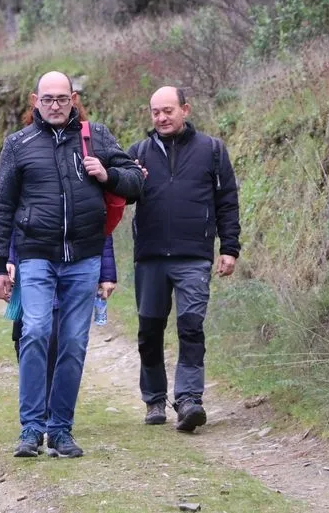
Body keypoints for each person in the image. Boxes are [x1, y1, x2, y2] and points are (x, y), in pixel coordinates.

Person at [0, 70, 143, 458]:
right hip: (36, 256)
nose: (55, 106)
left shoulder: (97, 136)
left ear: (73, 99)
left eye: (61, 98)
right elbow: (2, 206)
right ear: (35, 101)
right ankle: (30, 429)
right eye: (47, 99)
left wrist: (108, 174)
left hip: (84, 258)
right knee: (36, 331)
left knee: (73, 343)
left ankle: (60, 430)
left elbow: (136, 182)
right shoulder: (18, 144)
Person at [127, 86, 241, 433]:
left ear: (185, 110)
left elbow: (227, 201)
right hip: (150, 258)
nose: (161, 118)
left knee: (191, 327)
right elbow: (119, 195)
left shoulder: (212, 150)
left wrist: (229, 248)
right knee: (149, 331)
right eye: (155, 112)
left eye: (168, 110)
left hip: (194, 257)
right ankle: (154, 399)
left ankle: (189, 400)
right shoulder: (138, 153)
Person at [7, 233, 117, 415]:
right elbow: (14, 222)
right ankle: (36, 407)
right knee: (30, 336)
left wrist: (107, 273)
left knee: (59, 343)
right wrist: (8, 258)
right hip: (31, 265)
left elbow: (102, 227)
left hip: (72, 269)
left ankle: (51, 409)